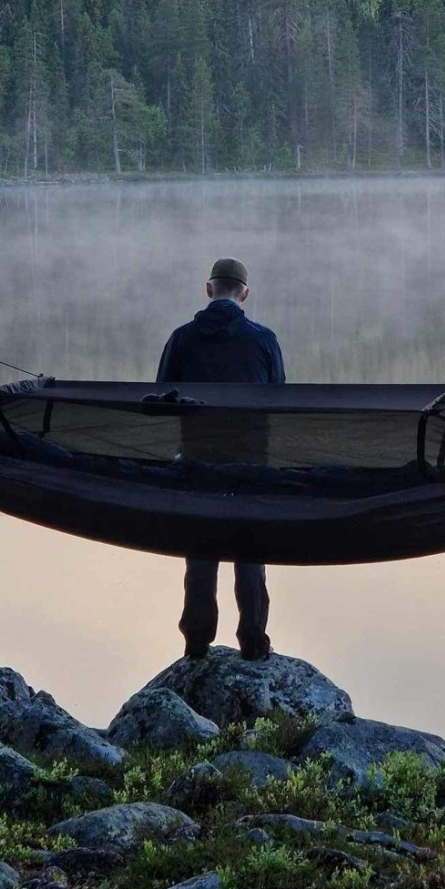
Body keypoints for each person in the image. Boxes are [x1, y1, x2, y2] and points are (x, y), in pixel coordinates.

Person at [156, 257, 285, 661]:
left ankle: (196, 642)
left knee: (200, 550)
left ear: (208, 290)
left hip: (196, 460)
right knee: (250, 549)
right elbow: (279, 400)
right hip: (250, 463)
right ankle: (253, 640)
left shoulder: (181, 339)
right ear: (244, 293)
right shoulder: (263, 340)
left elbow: (163, 398)